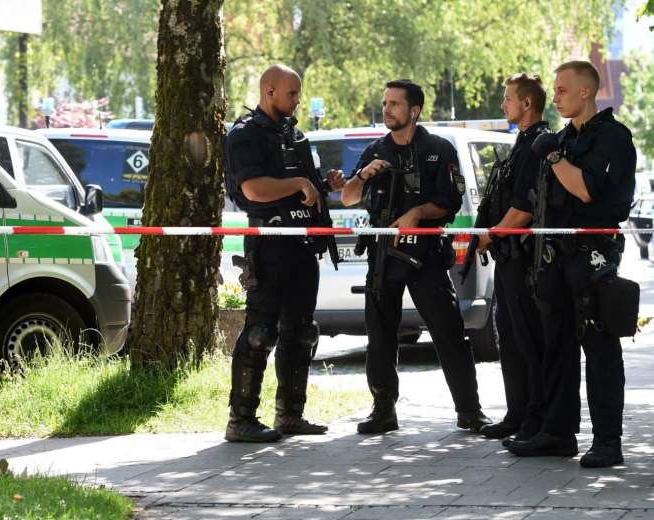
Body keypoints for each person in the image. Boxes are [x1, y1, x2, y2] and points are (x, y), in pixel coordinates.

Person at [341, 79, 491, 435]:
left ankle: (469, 411)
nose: (387, 109)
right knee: (379, 336)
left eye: (394, 103)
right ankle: (382, 410)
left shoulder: (438, 149)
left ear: (414, 110)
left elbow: (450, 202)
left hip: (425, 254)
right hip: (384, 256)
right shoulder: (376, 150)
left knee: (448, 332)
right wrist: (364, 175)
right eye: (385, 103)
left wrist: (419, 213)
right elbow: (348, 197)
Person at [507, 61, 636, 467]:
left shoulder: (613, 138)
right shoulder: (563, 138)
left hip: (592, 255)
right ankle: (558, 433)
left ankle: (607, 441)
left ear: (585, 92)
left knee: (599, 347)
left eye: (563, 90)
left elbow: (584, 189)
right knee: (556, 346)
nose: (556, 96)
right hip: (554, 258)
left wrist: (556, 157)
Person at [223, 64, 345, 442]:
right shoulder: (244, 135)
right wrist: (299, 183)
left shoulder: (296, 136)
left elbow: (305, 191)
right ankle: (240, 419)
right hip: (270, 245)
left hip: (303, 247)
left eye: (298, 93)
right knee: (261, 332)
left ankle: (290, 414)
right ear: (269, 91)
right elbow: (254, 190)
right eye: (291, 94)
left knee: (302, 332)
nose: (297, 101)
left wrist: (324, 186)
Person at [474, 74, 549, 445]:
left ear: (527, 104)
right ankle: (517, 413)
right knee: (510, 339)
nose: (503, 105)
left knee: (527, 340)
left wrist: (491, 234)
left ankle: (535, 419)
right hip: (508, 260)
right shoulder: (521, 143)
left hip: (524, 261)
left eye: (508, 98)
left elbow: (522, 210)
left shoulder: (537, 145)